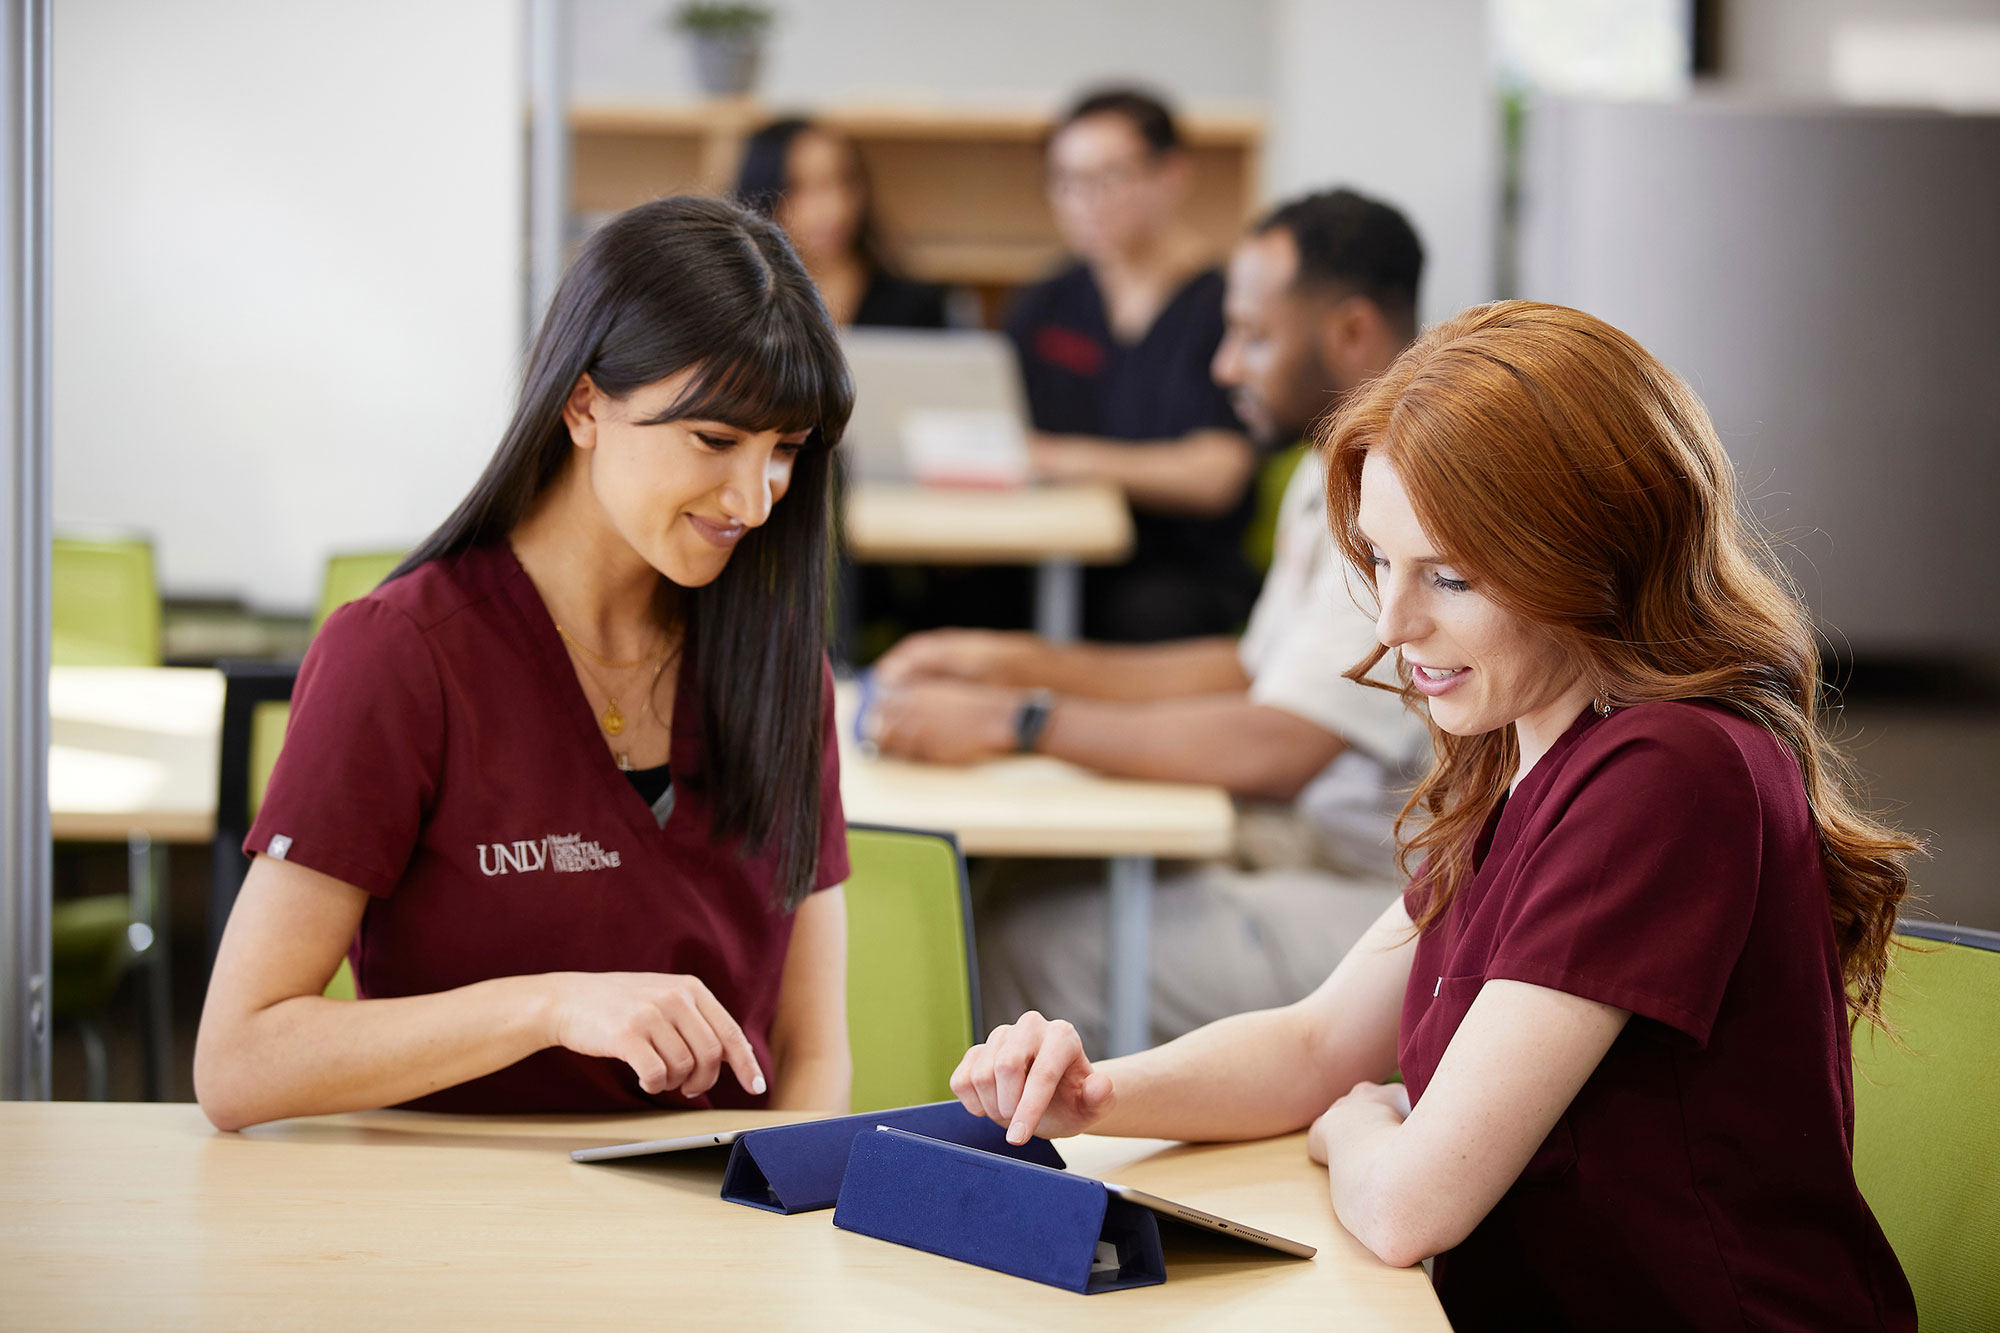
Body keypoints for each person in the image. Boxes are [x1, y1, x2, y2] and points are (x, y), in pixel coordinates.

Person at [947, 302, 1920, 1330]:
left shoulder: (1665, 770)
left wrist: (1360, 1127)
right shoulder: (1528, 739)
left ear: (1592, 554)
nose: (1397, 623)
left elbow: (1409, 1200)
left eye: (1449, 576)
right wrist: (1094, 1095)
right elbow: (1319, 1040)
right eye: (1376, 561)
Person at [194, 197, 856, 1130]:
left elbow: (816, 1052)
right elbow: (239, 1061)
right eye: (715, 440)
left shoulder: (779, 664)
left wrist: (778, 1213)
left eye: (785, 450)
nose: (755, 497)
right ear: (584, 403)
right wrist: (551, 1006)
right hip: (454, 1229)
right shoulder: (401, 653)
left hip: (712, 1234)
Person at [869, 189, 1430, 1056]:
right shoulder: (1340, 459)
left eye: (1254, 335)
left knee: (1025, 948)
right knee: (1015, 878)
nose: (1225, 367)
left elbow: (1278, 744)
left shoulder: (1412, 488)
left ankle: (1058, 1186)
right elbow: (1252, 673)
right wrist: (1014, 665)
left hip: (1392, 901)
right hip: (1301, 846)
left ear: (1352, 333)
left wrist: (1019, 721)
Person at [1009, 87, 1259, 641]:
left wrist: (1061, 459)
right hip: (1053, 547)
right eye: (1066, 181)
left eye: (1108, 178)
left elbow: (1215, 474)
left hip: (1178, 569)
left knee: (1146, 614)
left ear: (1171, 174)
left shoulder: (1225, 307)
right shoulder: (1046, 302)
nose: (1085, 200)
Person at [733, 116, 949, 330]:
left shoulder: (917, 306)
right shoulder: (736, 307)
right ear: (760, 196)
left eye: (845, 180)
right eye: (798, 186)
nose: (834, 207)